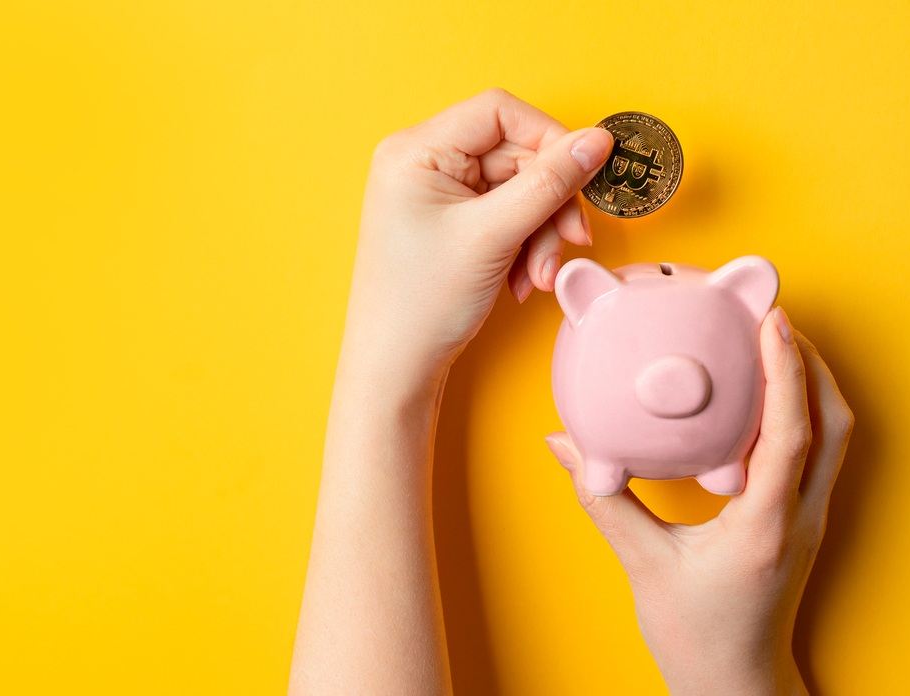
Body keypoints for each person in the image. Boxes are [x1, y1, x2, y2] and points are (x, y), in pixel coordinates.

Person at [288, 89, 855, 696]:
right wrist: (733, 676)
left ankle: (717, 464)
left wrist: (386, 368)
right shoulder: (592, 293)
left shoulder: (707, 304)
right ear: (584, 297)